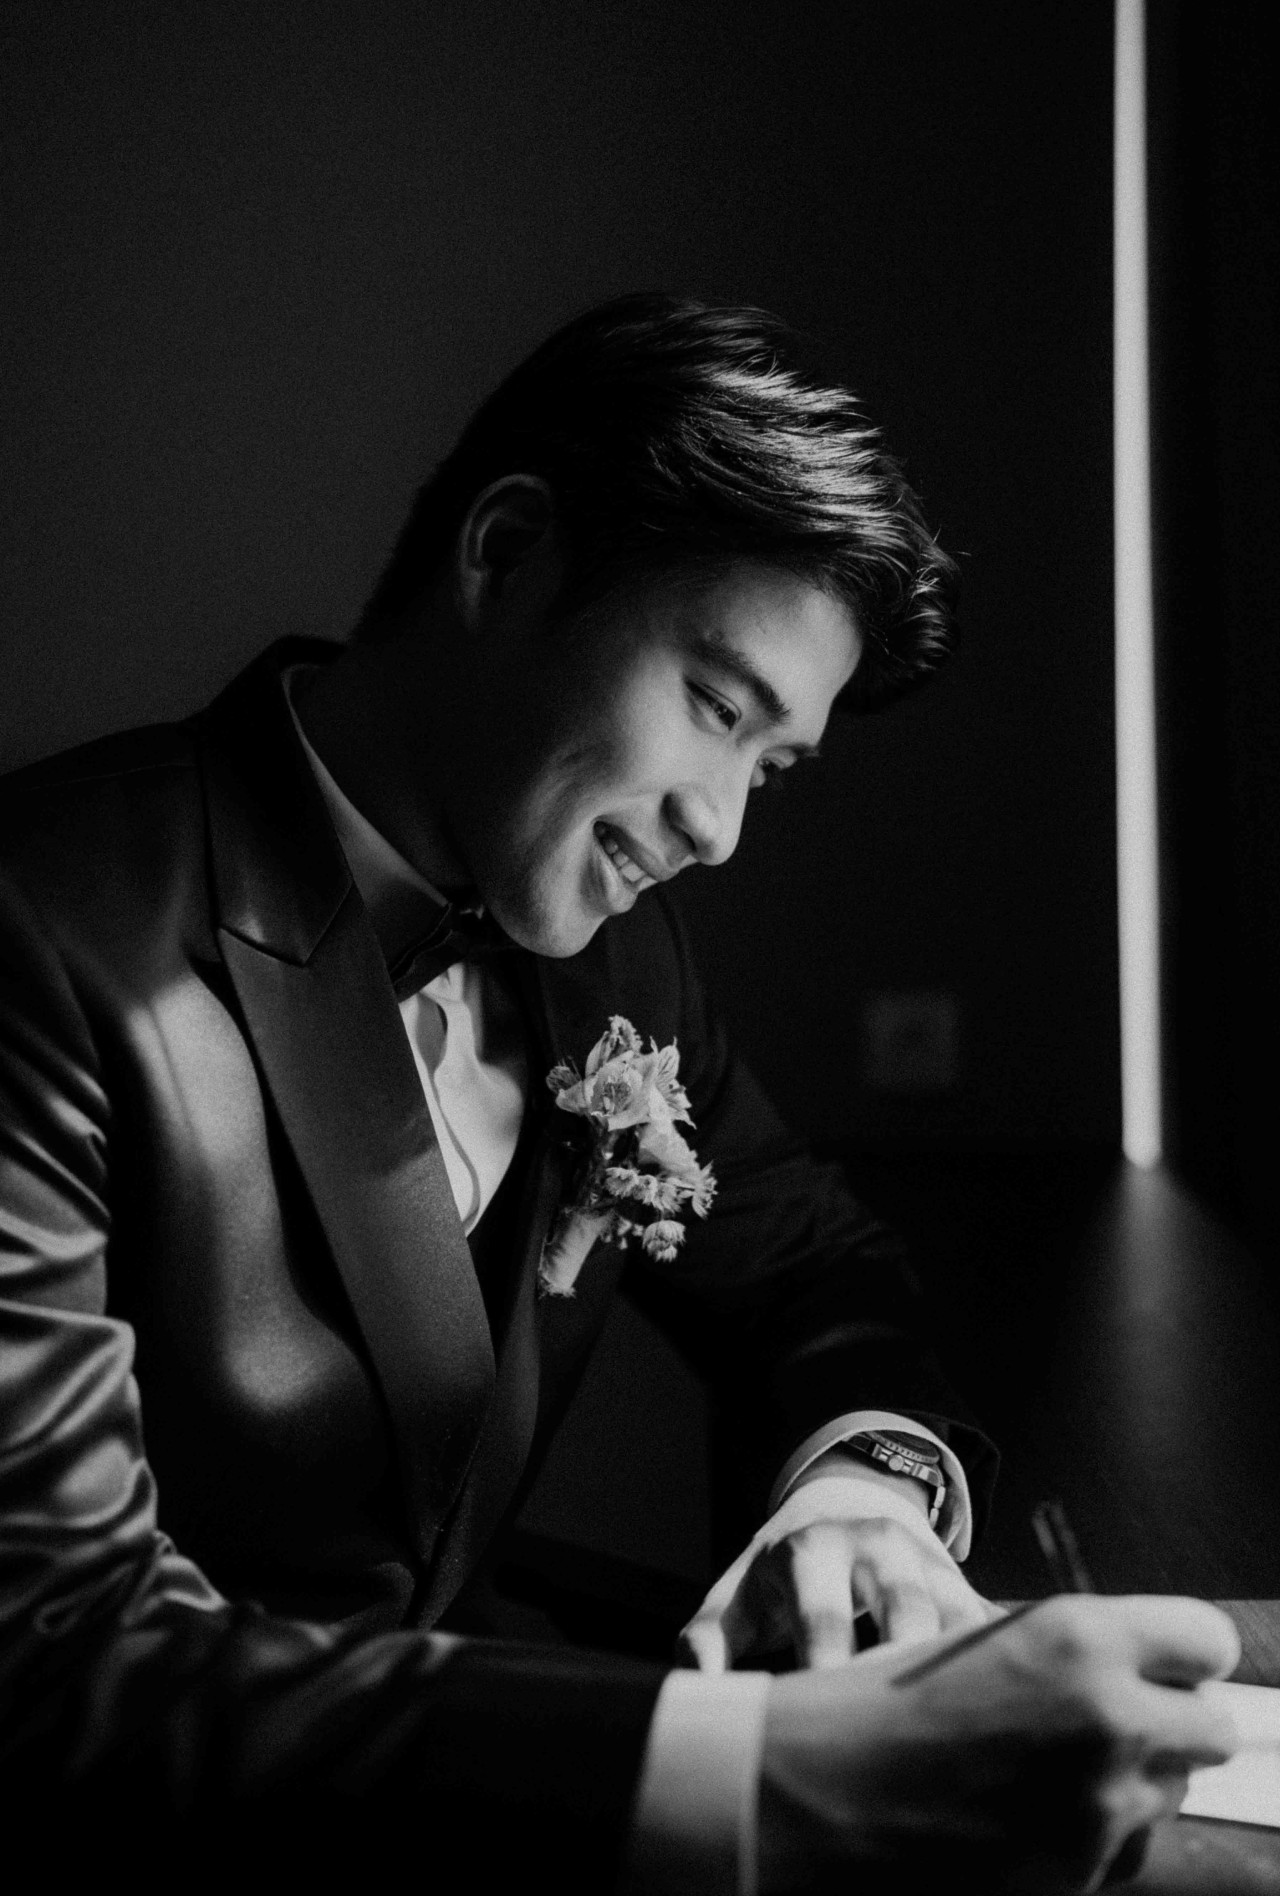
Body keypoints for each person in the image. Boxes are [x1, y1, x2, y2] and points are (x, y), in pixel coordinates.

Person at [0, 295, 1239, 1892]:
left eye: (770, 766)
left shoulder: (619, 956)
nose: (721, 827)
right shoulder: (42, 933)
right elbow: (54, 1653)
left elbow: (814, 1270)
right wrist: (766, 1772)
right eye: (716, 708)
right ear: (507, 552)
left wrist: (860, 1487)